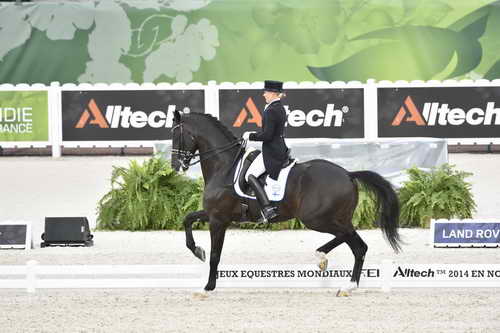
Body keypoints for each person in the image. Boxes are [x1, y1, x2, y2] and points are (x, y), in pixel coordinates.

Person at [242, 80, 290, 222]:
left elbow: (267, 136)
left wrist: (250, 135)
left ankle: (267, 208)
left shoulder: (271, 110)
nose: (264, 94)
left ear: (273, 93)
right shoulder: (279, 107)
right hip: (279, 147)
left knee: (249, 175)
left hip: (272, 151)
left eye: (266, 92)